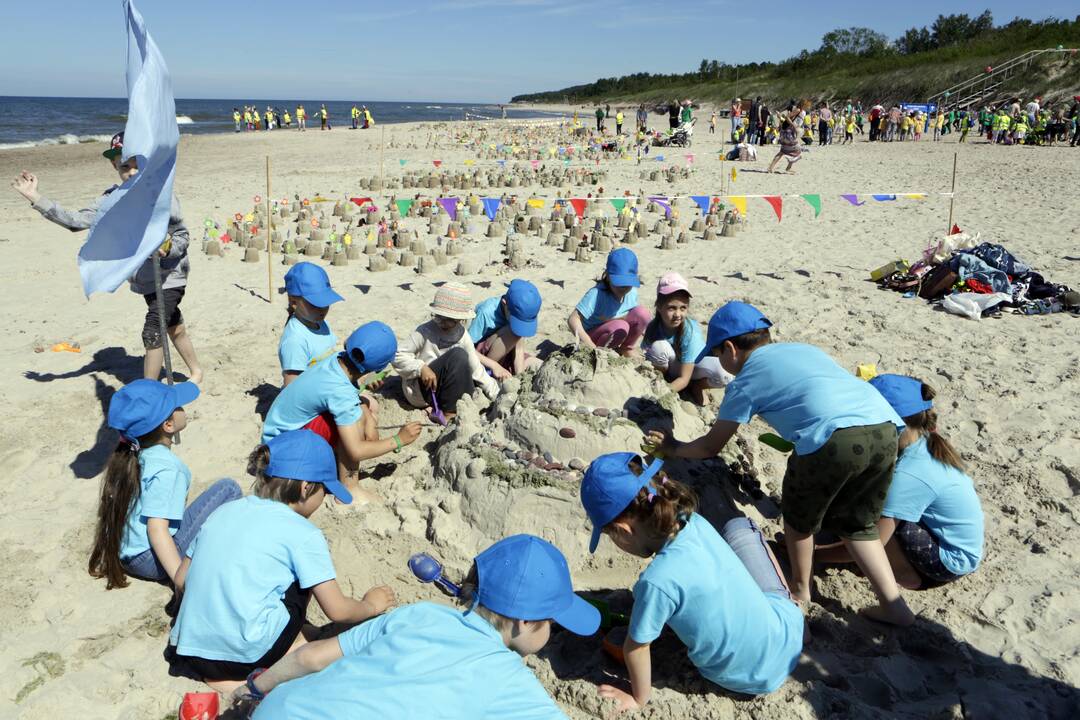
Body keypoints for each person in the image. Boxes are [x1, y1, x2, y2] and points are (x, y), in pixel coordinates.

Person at [645, 302, 914, 625]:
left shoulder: (745, 381)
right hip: (884, 429)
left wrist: (673, 447)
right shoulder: (803, 349)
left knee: (800, 519)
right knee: (859, 524)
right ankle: (894, 606)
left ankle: (800, 592)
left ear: (730, 349)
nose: (720, 364)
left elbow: (710, 446)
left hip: (833, 439)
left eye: (717, 356)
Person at [237, 534, 600, 719]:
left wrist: (256, 686)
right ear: (525, 621)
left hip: (282, 709)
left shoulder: (420, 614)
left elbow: (313, 657)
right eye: (551, 620)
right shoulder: (508, 680)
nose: (552, 629)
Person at [165, 429, 396, 692]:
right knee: (301, 579)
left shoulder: (224, 511)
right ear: (306, 488)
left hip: (189, 650)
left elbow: (182, 579)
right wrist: (370, 605)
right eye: (325, 491)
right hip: (246, 657)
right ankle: (288, 647)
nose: (324, 500)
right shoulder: (303, 533)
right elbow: (338, 611)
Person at [580, 453, 802, 711]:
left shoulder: (656, 582)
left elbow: (636, 648)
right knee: (739, 530)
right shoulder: (695, 521)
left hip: (740, 677)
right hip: (787, 640)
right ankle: (795, 610)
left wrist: (638, 699)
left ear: (623, 530)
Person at [11, 132, 203, 383]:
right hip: (145, 278)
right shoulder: (109, 200)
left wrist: (167, 249)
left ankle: (147, 391)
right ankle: (196, 371)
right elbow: (75, 221)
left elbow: (182, 235)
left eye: (138, 165)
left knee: (153, 330)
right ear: (114, 165)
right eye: (125, 166)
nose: (132, 171)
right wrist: (36, 197)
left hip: (170, 275)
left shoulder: (161, 195)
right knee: (173, 325)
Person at [816, 375, 984, 590]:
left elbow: (870, 542)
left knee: (879, 513)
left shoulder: (912, 473)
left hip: (945, 563)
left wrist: (813, 553)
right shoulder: (922, 441)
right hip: (945, 540)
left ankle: (903, 573)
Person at [87, 379, 241, 589]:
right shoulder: (168, 469)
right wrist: (181, 584)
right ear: (168, 425)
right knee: (228, 489)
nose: (182, 408)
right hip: (150, 559)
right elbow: (157, 530)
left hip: (125, 552)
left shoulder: (131, 454)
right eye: (177, 406)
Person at [263, 322, 422, 497]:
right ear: (379, 369)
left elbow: (348, 394)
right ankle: (350, 487)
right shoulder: (342, 393)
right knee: (355, 419)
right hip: (283, 455)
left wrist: (368, 418)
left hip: (274, 438)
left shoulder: (336, 360)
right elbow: (356, 450)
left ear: (348, 342)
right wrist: (399, 440)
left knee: (362, 408)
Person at [393, 282, 500, 425]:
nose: (443, 323)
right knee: (458, 355)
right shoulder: (425, 331)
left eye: (449, 320)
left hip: (446, 388)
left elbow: (477, 370)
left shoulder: (462, 335)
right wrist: (421, 368)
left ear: (460, 319)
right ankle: (449, 413)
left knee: (468, 371)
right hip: (423, 390)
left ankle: (455, 409)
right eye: (439, 317)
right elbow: (397, 355)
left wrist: (497, 395)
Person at [641, 273, 731, 405]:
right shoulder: (653, 326)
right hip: (673, 366)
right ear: (659, 307)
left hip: (694, 367)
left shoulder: (689, 331)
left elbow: (684, 377)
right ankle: (663, 379)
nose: (677, 314)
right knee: (658, 347)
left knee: (725, 374)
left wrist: (661, 395)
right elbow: (646, 352)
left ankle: (696, 386)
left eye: (683, 308)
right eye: (672, 308)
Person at [567, 248, 649, 358]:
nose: (623, 288)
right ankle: (601, 352)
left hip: (614, 327)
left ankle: (626, 348)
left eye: (627, 283)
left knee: (643, 314)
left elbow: (632, 316)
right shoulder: (596, 295)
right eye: (619, 283)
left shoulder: (632, 293)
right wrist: (590, 346)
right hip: (593, 335)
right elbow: (573, 319)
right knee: (621, 326)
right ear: (608, 276)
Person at [279, 262, 343, 387]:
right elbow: (292, 388)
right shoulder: (295, 340)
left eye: (326, 302)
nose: (322, 308)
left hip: (326, 385)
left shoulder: (320, 323)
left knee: (370, 403)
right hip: (310, 398)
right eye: (316, 304)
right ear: (294, 302)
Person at [468, 279, 542, 379]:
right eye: (516, 320)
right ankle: (490, 374)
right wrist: (494, 366)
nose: (518, 324)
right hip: (484, 360)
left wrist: (520, 376)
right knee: (513, 332)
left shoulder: (517, 311)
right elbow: (467, 348)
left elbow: (519, 348)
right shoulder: (485, 313)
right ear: (504, 303)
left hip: (506, 355)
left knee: (540, 366)